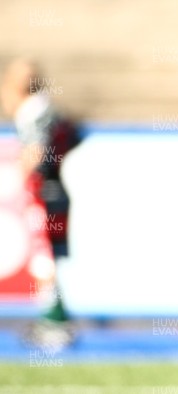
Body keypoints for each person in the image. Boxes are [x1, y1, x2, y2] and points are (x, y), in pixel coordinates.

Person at [0, 58, 81, 350]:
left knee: (42, 259)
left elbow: (34, 154)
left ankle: (55, 323)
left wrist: (21, 172)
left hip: (42, 194)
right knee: (50, 258)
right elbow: (72, 136)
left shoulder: (31, 112)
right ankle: (56, 319)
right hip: (56, 192)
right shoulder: (49, 109)